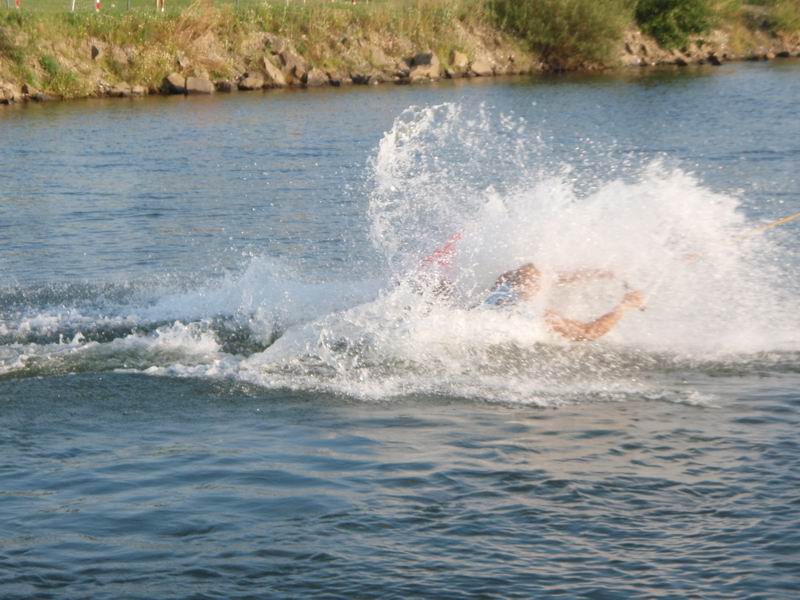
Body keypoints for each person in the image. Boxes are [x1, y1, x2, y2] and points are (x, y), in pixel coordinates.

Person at [483, 262, 645, 342]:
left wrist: (599, 273)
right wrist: (625, 305)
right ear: (539, 287)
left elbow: (551, 277)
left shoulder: (502, 286)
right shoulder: (542, 316)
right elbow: (588, 333)